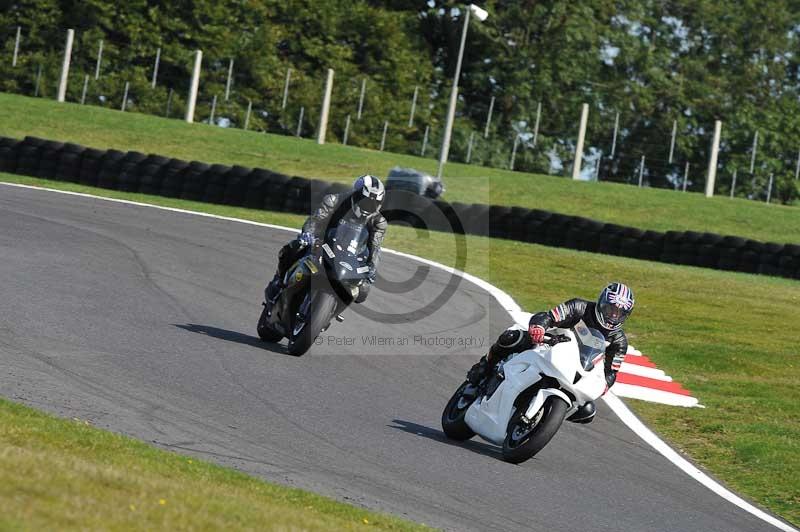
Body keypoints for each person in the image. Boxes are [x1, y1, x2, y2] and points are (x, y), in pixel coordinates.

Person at [467, 282, 635, 424]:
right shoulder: (579, 307)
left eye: (619, 313)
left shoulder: (618, 341)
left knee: (588, 409)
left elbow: (610, 372)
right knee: (512, 337)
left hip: (577, 368)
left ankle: (544, 415)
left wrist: (603, 386)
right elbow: (549, 316)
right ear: (601, 303)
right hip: (549, 345)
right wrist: (539, 327)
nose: (613, 315)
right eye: (610, 309)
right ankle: (484, 367)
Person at [266, 175, 387, 306]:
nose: (368, 206)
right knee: (295, 247)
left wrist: (371, 267)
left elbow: (375, 246)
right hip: (322, 242)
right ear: (355, 195)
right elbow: (316, 220)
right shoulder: (334, 200)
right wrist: (308, 234)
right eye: (365, 200)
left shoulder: (379, 222)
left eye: (373, 204)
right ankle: (278, 281)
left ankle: (331, 309)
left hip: (351, 255)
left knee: (363, 290)